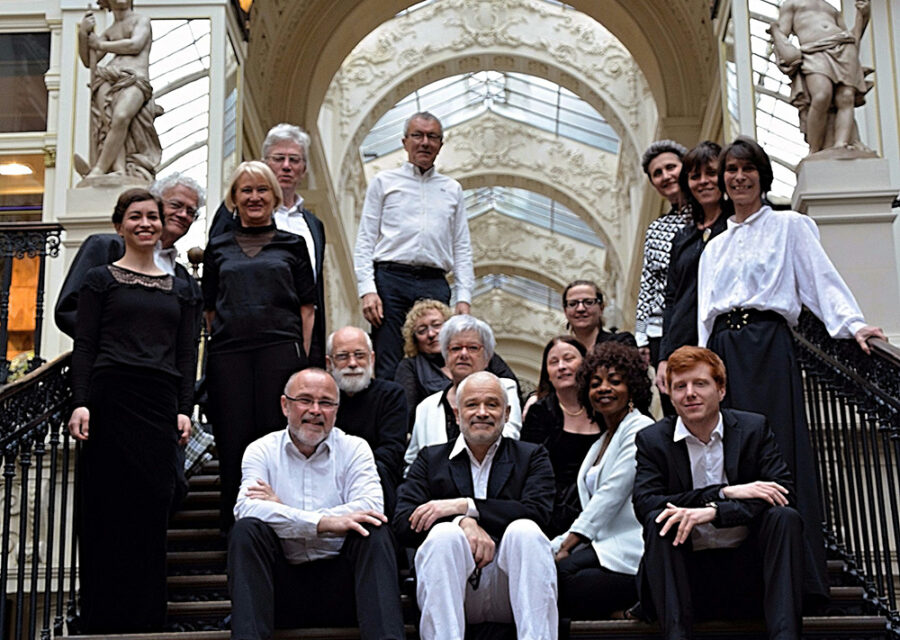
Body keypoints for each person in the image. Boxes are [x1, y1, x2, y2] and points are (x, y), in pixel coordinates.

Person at [697, 136, 885, 600]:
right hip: (724, 351)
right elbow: (705, 315)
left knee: (776, 449)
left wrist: (853, 325)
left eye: (748, 169)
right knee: (732, 457)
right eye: (731, 170)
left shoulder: (790, 226)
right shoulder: (713, 247)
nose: (739, 178)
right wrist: (701, 369)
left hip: (768, 347)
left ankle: (796, 573)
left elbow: (822, 281)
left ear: (762, 175)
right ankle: (741, 573)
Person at [67, 188, 197, 633]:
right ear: (119, 225)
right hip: (109, 398)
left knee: (152, 505)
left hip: (158, 402)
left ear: (162, 225)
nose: (146, 224)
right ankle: (102, 619)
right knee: (105, 508)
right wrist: (81, 402)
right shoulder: (99, 279)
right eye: (136, 216)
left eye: (153, 217)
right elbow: (85, 345)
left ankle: (146, 620)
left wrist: (185, 409)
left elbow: (186, 355)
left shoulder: (182, 287)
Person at [633, 346, 804, 640]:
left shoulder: (753, 429)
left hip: (749, 575)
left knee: (784, 517)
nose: (690, 394)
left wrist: (715, 512)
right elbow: (645, 503)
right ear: (670, 396)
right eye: (680, 386)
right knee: (659, 521)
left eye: (700, 384)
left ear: (721, 390)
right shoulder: (653, 440)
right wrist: (723, 492)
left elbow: (782, 491)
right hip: (688, 579)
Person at [228, 369, 405, 640]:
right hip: (279, 592)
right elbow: (246, 508)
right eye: (305, 400)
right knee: (246, 531)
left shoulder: (355, 449)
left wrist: (282, 510)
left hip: (347, 590)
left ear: (337, 410)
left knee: (373, 530)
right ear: (285, 405)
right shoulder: (261, 450)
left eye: (326, 402)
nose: (315, 410)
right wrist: (324, 523)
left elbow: (371, 506)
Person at [394, 371, 558, 640]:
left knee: (525, 530)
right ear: (457, 414)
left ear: (507, 413)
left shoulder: (531, 456)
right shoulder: (431, 459)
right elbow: (403, 522)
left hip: (513, 587)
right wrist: (462, 522)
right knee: (444, 534)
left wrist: (465, 506)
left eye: (492, 404)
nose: (482, 412)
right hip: (454, 590)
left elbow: (539, 513)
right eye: (472, 404)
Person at [203, 160, 317, 531]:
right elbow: (209, 309)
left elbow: (307, 308)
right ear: (234, 198)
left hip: (279, 353)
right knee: (232, 440)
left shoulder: (293, 244)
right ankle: (235, 528)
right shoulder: (217, 246)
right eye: (246, 190)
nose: (255, 197)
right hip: (229, 355)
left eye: (262, 189)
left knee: (277, 439)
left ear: (275, 195)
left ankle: (278, 524)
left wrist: (301, 357)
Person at [354, 111, 474, 380]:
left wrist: (464, 298)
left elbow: (462, 247)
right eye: (417, 135)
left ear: (440, 144)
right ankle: (392, 408)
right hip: (390, 281)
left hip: (434, 282)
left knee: (436, 357)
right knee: (389, 358)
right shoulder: (383, 182)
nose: (425, 142)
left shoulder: (452, 189)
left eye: (432, 137)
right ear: (404, 141)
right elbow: (365, 240)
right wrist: (367, 290)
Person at [209, 124, 327, 365]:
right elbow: (215, 276)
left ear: (304, 169)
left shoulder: (313, 225)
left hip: (294, 338)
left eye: (294, 160)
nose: (286, 166)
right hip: (239, 340)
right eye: (279, 158)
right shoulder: (235, 213)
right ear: (265, 164)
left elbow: (312, 293)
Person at [553, 342, 654, 620]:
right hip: (602, 547)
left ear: (632, 388)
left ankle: (638, 605)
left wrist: (567, 545)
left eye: (615, 381)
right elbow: (590, 508)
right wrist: (550, 546)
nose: (604, 388)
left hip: (631, 548)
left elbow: (611, 494)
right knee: (547, 571)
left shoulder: (640, 428)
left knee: (562, 578)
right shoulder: (601, 441)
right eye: (595, 383)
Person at [55, 172, 205, 338]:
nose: (183, 215)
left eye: (191, 212)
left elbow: (189, 335)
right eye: (176, 205)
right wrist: (114, 346)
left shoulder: (185, 281)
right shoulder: (106, 247)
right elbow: (69, 310)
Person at [654, 142, 731, 395]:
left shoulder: (735, 226)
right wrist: (664, 356)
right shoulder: (683, 238)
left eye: (711, 173)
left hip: (726, 336)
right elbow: (671, 299)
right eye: (695, 176)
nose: (703, 182)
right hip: (685, 342)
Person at [404, 315, 521, 474]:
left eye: (472, 348)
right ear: (446, 357)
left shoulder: (504, 388)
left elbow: (508, 437)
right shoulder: (426, 407)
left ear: (487, 357)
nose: (463, 354)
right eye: (456, 348)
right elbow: (413, 462)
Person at [394, 299, 520, 429]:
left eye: (436, 325)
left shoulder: (486, 357)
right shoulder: (413, 370)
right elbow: (406, 413)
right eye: (422, 330)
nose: (431, 334)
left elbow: (510, 392)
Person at [635, 140, 692, 416]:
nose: (666, 176)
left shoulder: (708, 218)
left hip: (697, 322)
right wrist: (642, 335)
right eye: (657, 173)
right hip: (662, 332)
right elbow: (648, 284)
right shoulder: (656, 229)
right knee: (674, 404)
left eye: (671, 167)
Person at [771, 0, 872, 154]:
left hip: (844, 48)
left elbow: (853, 38)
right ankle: (815, 149)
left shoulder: (832, 8)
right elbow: (782, 35)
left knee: (846, 97)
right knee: (821, 95)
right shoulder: (792, 4)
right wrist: (776, 35)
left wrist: (862, 16)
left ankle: (841, 144)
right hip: (814, 51)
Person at [326, 326, 407, 516]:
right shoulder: (321, 399)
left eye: (359, 355)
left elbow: (392, 451)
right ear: (329, 363)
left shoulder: (391, 395)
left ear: (372, 358)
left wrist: (352, 471)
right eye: (343, 356)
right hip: (325, 475)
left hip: (375, 477)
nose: (353, 363)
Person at [520, 336, 596, 536]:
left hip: (599, 504)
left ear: (586, 364)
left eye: (569, 359)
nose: (561, 366)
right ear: (547, 374)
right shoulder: (539, 412)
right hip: (551, 509)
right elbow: (529, 470)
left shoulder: (603, 408)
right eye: (554, 362)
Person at [76, 0, 161, 180]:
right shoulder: (110, 32)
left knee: (121, 116)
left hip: (135, 77)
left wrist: (100, 45)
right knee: (109, 123)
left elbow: (135, 45)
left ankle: (99, 168)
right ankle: (118, 169)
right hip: (108, 77)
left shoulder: (141, 20)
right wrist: (83, 33)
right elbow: (88, 60)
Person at [562, 280, 637, 350]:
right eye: (572, 304)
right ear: (565, 311)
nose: (580, 309)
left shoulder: (621, 343)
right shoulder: (561, 351)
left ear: (601, 308)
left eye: (589, 302)